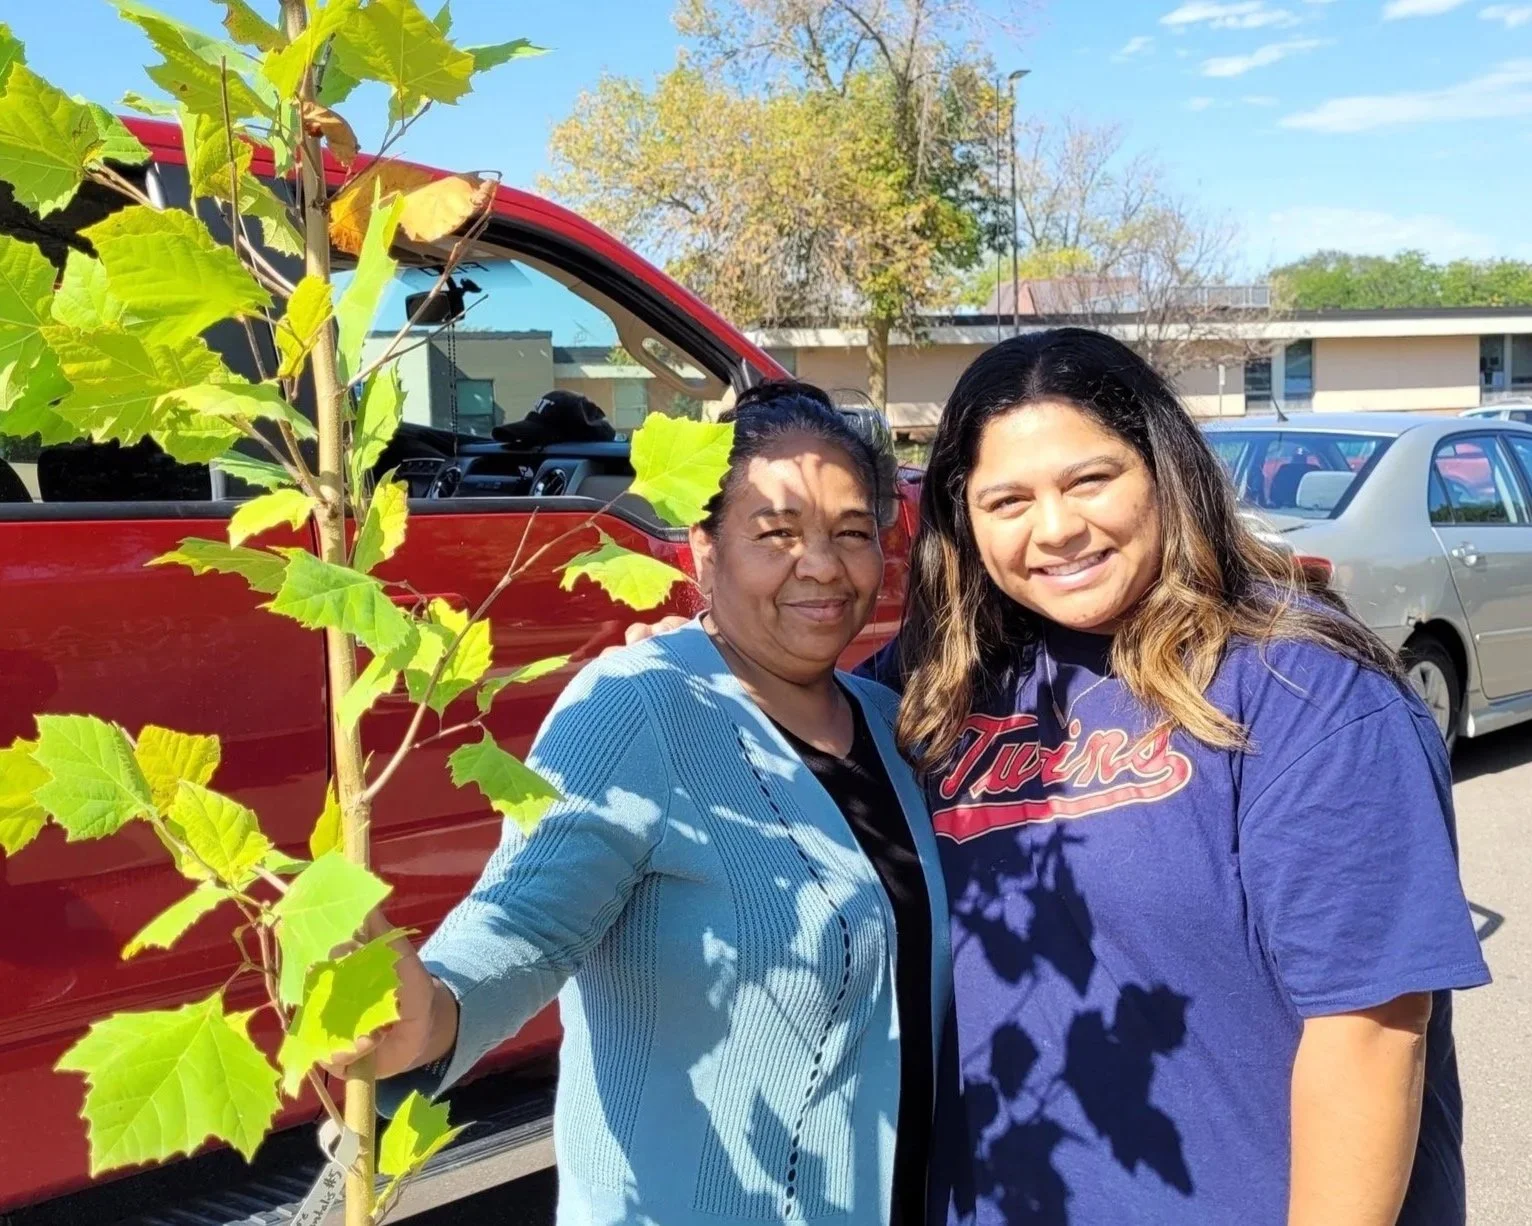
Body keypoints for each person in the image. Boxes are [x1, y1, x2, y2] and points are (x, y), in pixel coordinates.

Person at [630, 329, 1489, 1226]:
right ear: (964, 518)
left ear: (1165, 471)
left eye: (1091, 480)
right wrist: (693, 669)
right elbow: (784, 719)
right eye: (1008, 499)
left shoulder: (1299, 686)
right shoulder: (931, 687)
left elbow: (1372, 1031)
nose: (1056, 528)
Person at [341, 381, 951, 1226]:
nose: (822, 564)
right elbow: (529, 924)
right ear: (702, 547)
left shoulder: (890, 725)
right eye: (775, 533)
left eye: (851, 533)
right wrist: (425, 1020)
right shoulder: (639, 705)